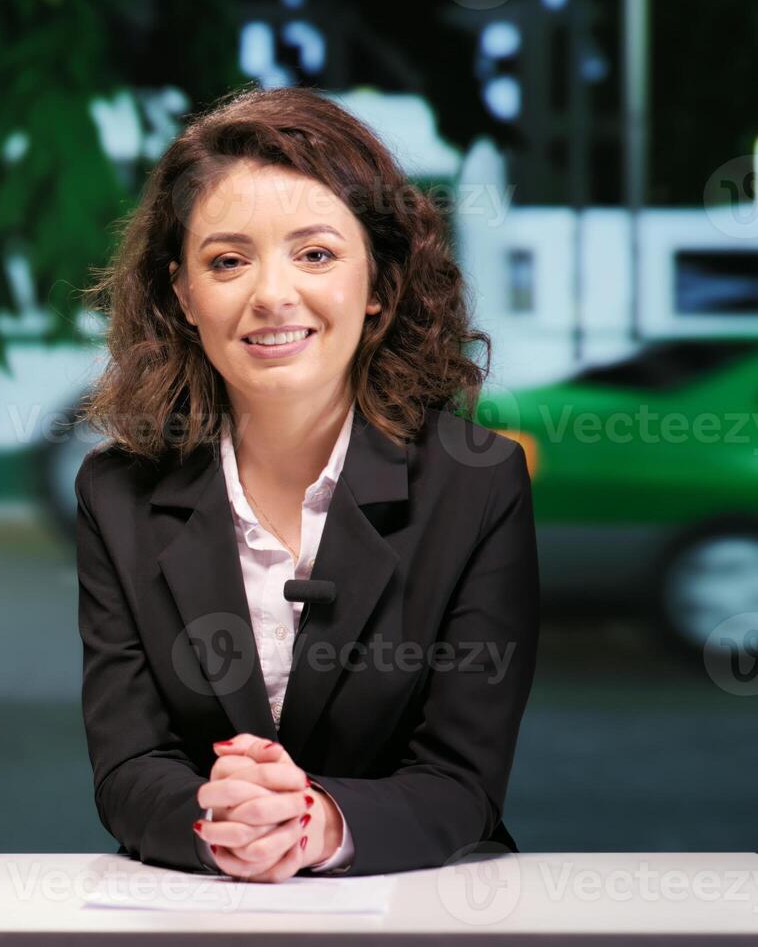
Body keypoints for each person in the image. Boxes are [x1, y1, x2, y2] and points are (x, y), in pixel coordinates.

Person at [75, 86, 538, 880]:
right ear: (182, 296)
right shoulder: (115, 494)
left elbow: (462, 781)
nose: (272, 296)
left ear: (381, 286)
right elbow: (129, 769)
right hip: (195, 908)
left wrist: (315, 824)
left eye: (316, 254)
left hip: (415, 907)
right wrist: (225, 825)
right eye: (227, 261)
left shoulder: (479, 484)